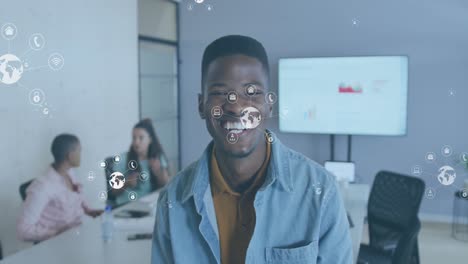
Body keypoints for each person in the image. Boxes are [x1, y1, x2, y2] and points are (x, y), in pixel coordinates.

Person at [152, 35, 352, 263]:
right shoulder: (172, 200)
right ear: (201, 105)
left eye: (252, 92)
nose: (236, 107)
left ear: (269, 104)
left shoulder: (320, 191)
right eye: (219, 92)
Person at [17, 134, 103, 242]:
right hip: (57, 244)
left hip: (77, 236)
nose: (81, 155)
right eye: (79, 151)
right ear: (71, 156)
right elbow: (23, 230)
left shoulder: (69, 172)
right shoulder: (42, 187)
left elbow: (73, 200)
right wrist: (56, 233)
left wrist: (90, 211)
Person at [110, 119, 170, 206]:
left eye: (141, 138)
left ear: (150, 139)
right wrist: (126, 183)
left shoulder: (157, 158)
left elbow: (167, 185)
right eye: (134, 138)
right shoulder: (122, 159)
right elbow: (113, 191)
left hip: (150, 205)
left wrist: (159, 173)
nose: (136, 142)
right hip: (127, 206)